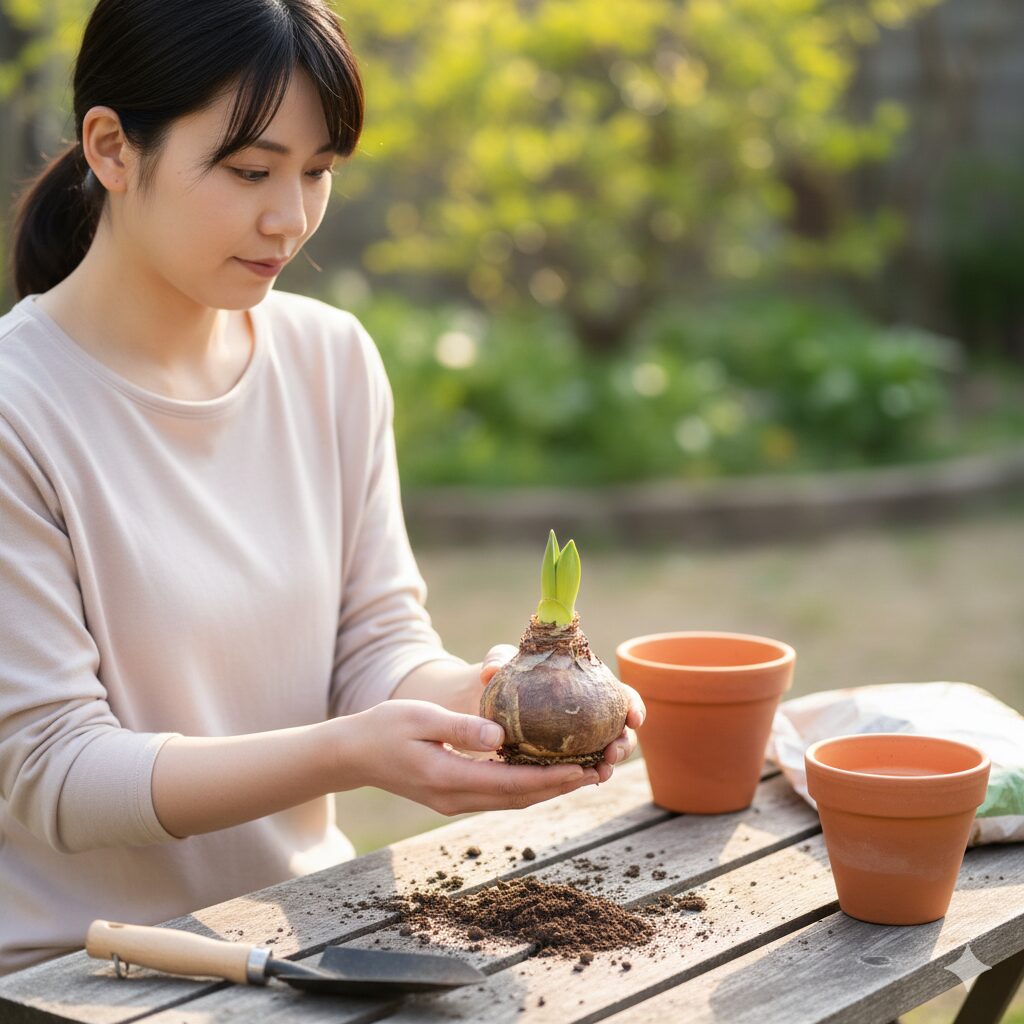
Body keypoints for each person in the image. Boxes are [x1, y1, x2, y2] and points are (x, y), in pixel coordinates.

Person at [0, 0, 643, 977]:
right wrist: (347, 752)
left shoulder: (329, 359)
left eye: (319, 171)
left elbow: (376, 646)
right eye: (252, 170)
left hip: (310, 937)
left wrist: (489, 710)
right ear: (112, 148)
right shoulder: (20, 409)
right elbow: (56, 771)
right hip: (82, 972)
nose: (289, 217)